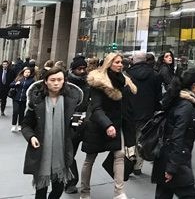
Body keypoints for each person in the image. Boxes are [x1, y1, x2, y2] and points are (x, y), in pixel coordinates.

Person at [21, 66, 84, 199]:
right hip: (41, 151)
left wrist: (77, 125)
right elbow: (26, 124)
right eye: (52, 80)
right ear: (46, 81)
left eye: (59, 80)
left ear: (64, 81)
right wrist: (31, 137)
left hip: (62, 151)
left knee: (58, 189)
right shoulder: (37, 101)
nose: (56, 83)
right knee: (41, 191)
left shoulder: (70, 101)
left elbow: (77, 125)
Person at [80, 52, 137, 199]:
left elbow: (125, 107)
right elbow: (96, 108)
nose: (120, 65)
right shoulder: (99, 82)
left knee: (119, 155)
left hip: (116, 124)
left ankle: (119, 192)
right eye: (116, 62)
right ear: (109, 63)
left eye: (121, 62)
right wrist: (107, 125)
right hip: (97, 124)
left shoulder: (124, 81)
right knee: (90, 159)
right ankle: (84, 191)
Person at [151, 69, 195, 199]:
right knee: (188, 195)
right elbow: (177, 137)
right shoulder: (186, 106)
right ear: (194, 86)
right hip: (176, 160)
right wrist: (172, 168)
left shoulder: (177, 100)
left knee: (164, 194)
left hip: (167, 157)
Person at [127, 50, 163, 175]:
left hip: (130, 111)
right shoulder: (155, 75)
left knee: (129, 138)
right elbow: (158, 95)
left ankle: (128, 163)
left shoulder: (127, 74)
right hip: (147, 112)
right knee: (141, 139)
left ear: (133, 60)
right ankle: (138, 166)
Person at [64, 56, 90, 194]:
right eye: (79, 68)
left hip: (85, 122)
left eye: (84, 68)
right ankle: (70, 182)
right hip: (69, 123)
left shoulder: (89, 83)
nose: (82, 71)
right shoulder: (65, 83)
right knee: (69, 153)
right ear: (73, 69)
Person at [11, 67, 35, 132]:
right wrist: (15, 84)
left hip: (24, 99)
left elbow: (33, 89)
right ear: (23, 72)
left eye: (28, 72)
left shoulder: (31, 80)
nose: (27, 73)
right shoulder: (19, 78)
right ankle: (13, 125)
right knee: (15, 111)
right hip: (16, 98)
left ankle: (20, 125)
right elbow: (11, 84)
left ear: (30, 73)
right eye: (26, 72)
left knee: (21, 113)